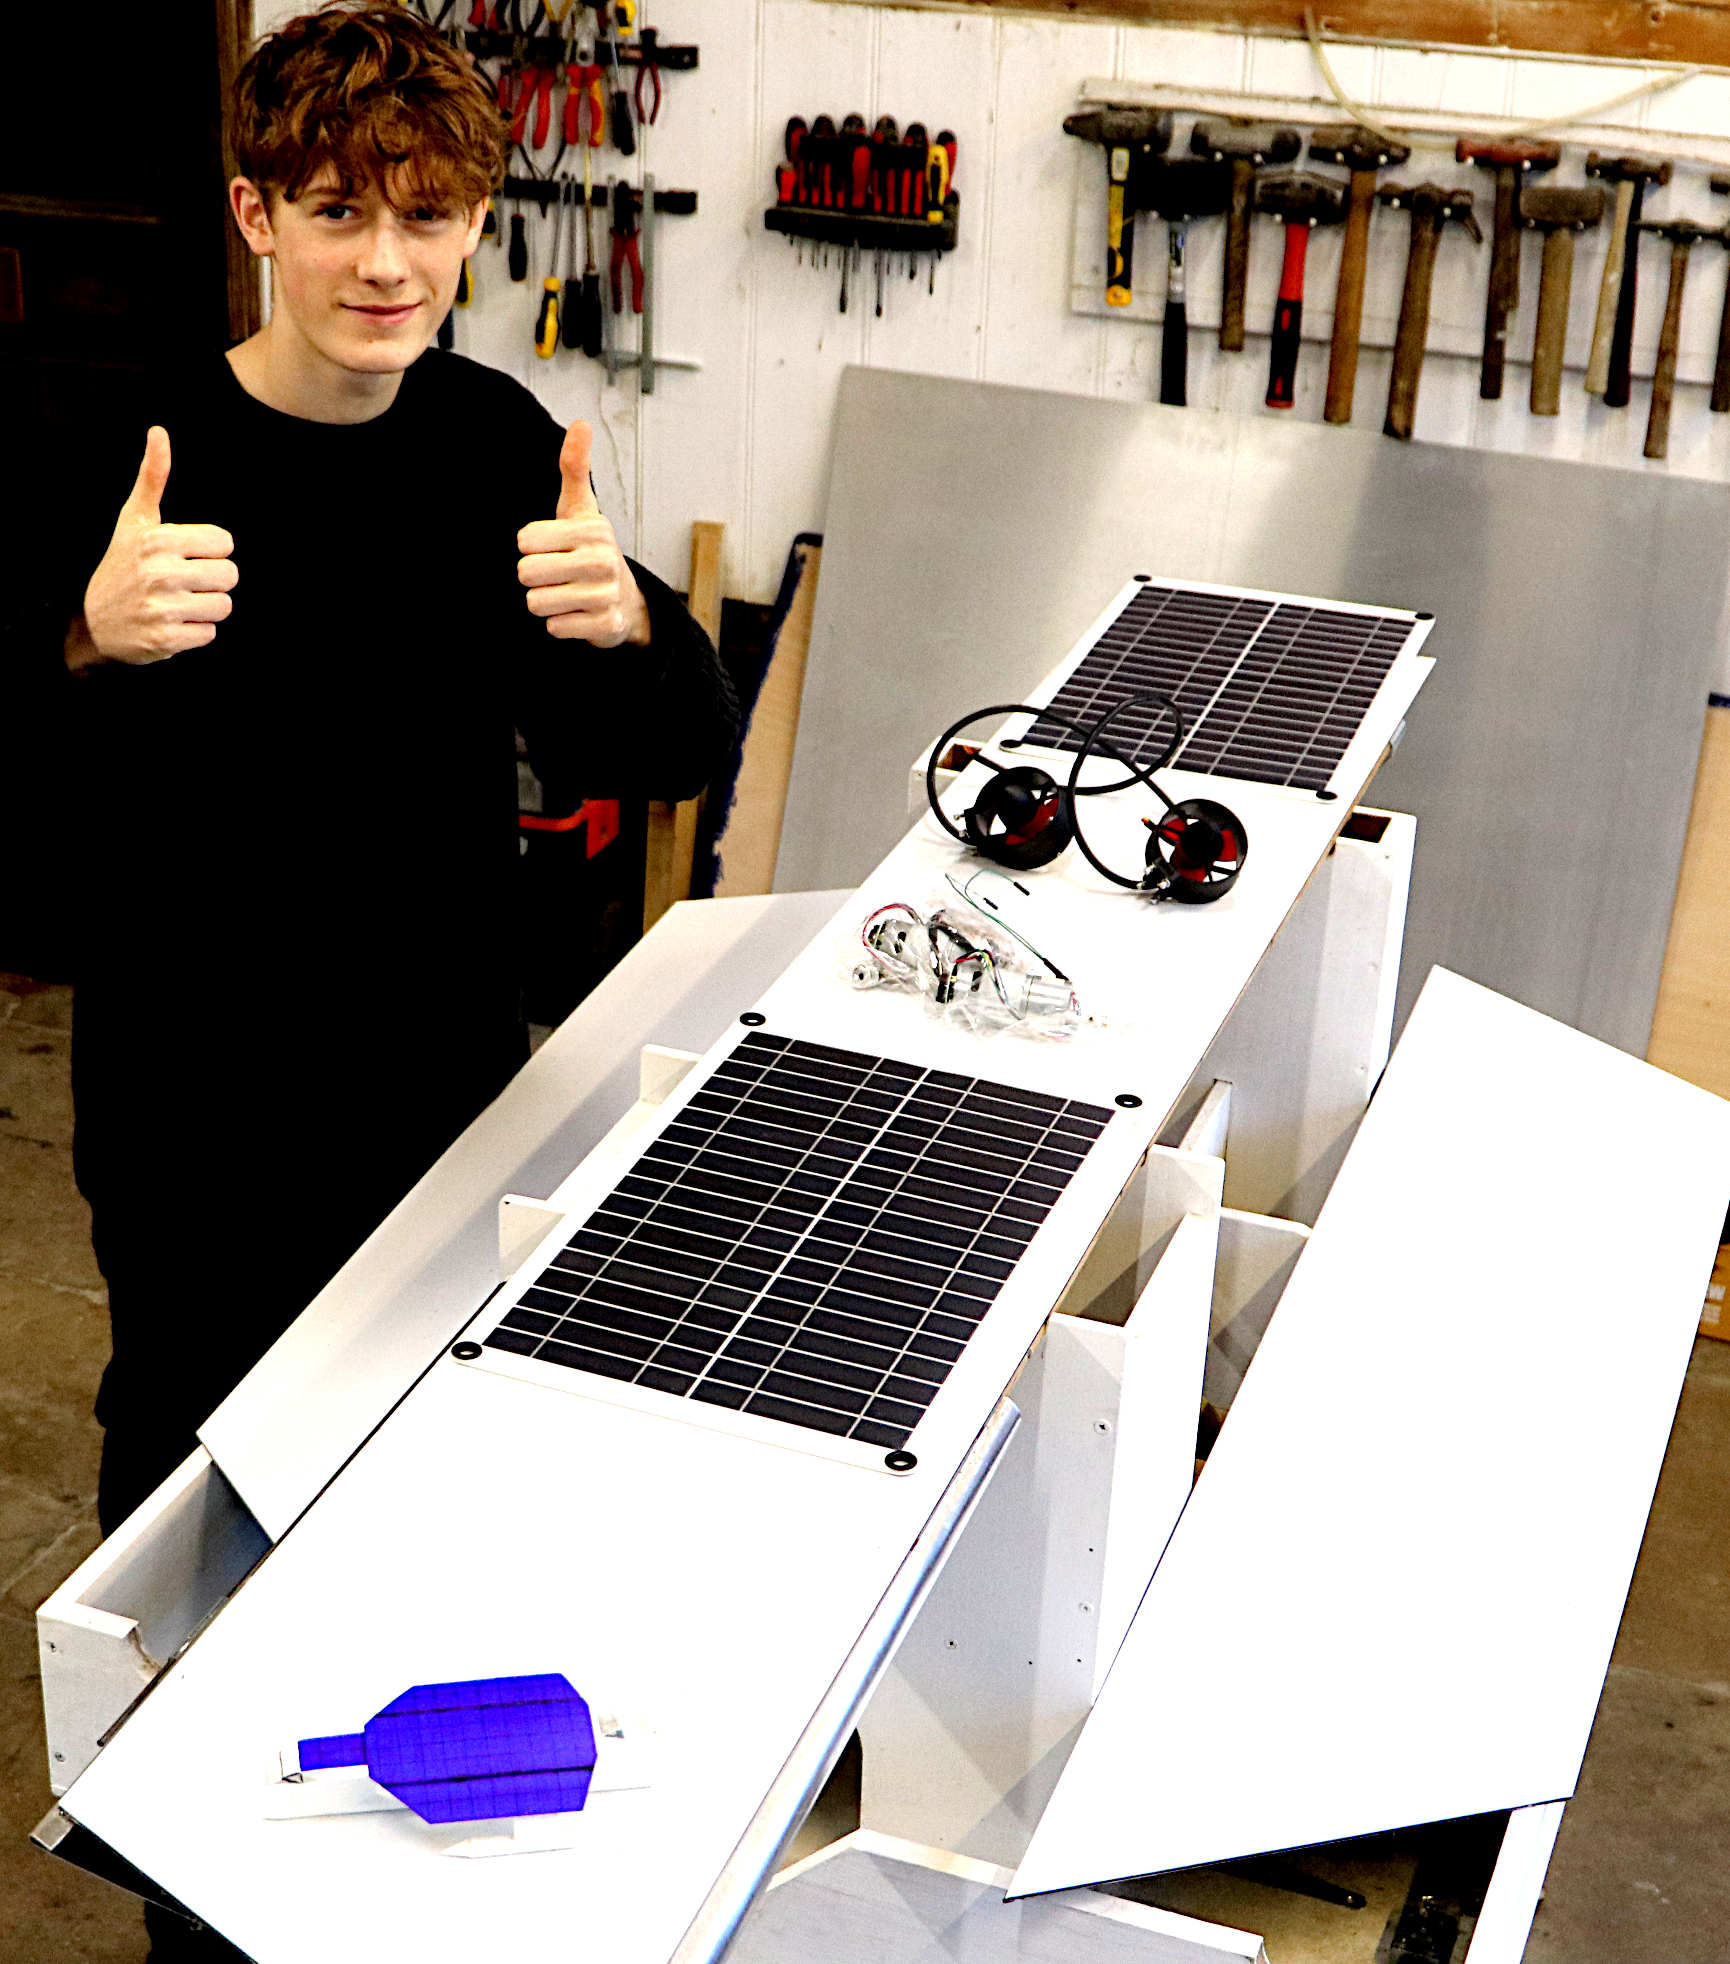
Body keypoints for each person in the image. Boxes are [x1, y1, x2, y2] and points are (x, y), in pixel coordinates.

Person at [54, 15, 735, 1950]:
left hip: (445, 1098)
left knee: (426, 1516)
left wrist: (633, 636)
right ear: (256, 213)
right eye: (340, 211)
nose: (386, 263)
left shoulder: (495, 445)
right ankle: (198, 1896)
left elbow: (662, 758)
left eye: (428, 217)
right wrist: (84, 654)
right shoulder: (138, 450)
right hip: (200, 1125)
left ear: (475, 226)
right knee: (208, 1524)